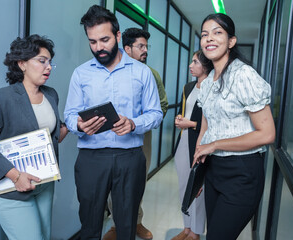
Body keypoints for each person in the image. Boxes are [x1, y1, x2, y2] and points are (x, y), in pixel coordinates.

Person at [64, 5, 163, 240]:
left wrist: (133, 124)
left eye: (105, 39)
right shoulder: (81, 74)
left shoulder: (142, 72)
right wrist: (78, 125)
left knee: (126, 224)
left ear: (118, 36)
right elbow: (69, 115)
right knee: (89, 223)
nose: (98, 47)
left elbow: (155, 113)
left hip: (129, 157)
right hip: (91, 159)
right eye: (93, 41)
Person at [0, 34, 68, 239]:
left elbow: (50, 134)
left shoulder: (51, 94)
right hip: (13, 188)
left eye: (50, 62)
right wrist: (16, 176)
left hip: (45, 184)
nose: (48, 67)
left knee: (44, 236)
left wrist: (70, 128)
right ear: (22, 63)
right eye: (42, 61)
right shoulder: (0, 98)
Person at [193, 13, 276, 240]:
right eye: (204, 34)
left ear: (231, 41)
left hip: (242, 173)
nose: (209, 38)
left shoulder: (243, 76)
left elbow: (267, 134)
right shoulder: (208, 82)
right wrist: (197, 170)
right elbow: (206, 126)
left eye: (217, 32)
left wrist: (215, 145)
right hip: (212, 169)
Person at [102, 27, 168, 240]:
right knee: (113, 184)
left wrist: (140, 122)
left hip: (141, 137)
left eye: (146, 46)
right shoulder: (110, 70)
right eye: (141, 46)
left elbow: (162, 105)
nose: (145, 50)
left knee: (137, 182)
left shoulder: (151, 74)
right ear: (127, 48)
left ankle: (136, 222)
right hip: (111, 137)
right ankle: (116, 224)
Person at [173, 50, 213, 240]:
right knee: (183, 186)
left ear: (206, 66)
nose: (191, 65)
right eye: (191, 61)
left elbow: (213, 123)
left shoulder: (213, 87)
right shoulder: (188, 87)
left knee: (197, 188)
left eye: (195, 62)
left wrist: (190, 124)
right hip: (183, 141)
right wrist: (181, 119)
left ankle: (196, 232)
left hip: (201, 144)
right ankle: (187, 227)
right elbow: (187, 112)